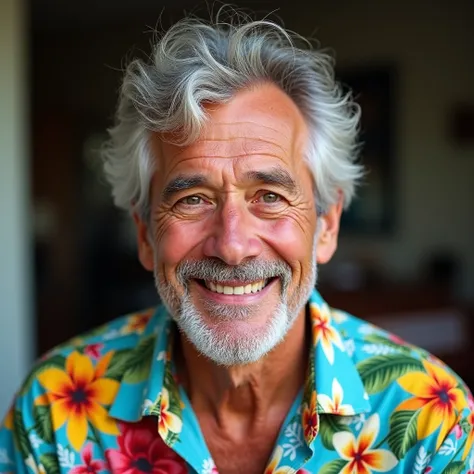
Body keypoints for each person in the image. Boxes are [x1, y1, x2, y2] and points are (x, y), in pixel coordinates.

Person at [1, 10, 473, 474]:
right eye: (191, 199)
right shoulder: (53, 411)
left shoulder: (432, 420)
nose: (232, 245)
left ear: (327, 224)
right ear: (145, 233)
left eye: (269, 196)